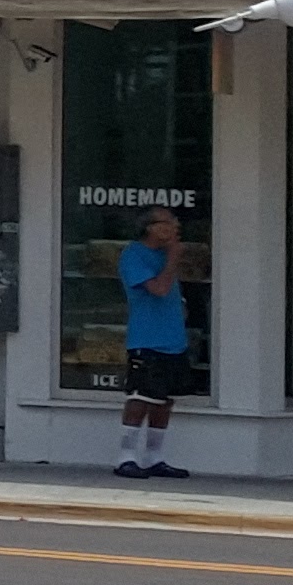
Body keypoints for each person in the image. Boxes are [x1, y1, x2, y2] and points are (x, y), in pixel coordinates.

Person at [117, 204, 193, 478]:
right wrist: (173, 257)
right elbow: (158, 289)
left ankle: (154, 456)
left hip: (173, 339)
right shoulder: (134, 255)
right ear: (150, 227)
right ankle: (126, 456)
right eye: (167, 222)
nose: (173, 227)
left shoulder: (163, 256)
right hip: (147, 339)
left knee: (164, 400)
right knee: (141, 397)